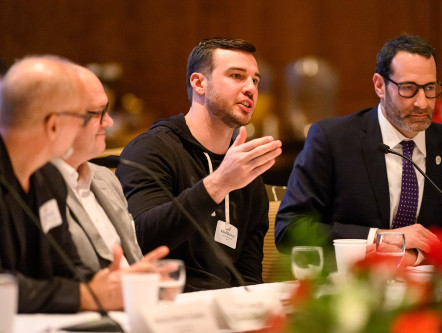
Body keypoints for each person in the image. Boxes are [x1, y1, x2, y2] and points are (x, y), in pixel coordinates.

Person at [274, 34, 442, 267]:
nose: (422, 102)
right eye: (408, 88)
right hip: (346, 288)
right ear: (380, 85)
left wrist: (412, 257)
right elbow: (290, 228)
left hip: (424, 288)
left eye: (429, 88)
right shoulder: (333, 140)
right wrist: (381, 238)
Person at [0, 56, 167, 313]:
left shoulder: (49, 179)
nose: (105, 124)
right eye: (83, 117)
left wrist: (112, 283)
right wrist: (84, 296)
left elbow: (65, 267)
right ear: (54, 125)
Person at [116, 37, 282, 291]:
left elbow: (248, 276)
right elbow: (140, 239)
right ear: (199, 83)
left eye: (255, 80)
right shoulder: (152, 150)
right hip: (167, 304)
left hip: (226, 312)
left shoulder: (245, 170)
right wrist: (218, 184)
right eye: (237, 76)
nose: (250, 88)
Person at [51, 66, 143, 272]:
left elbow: (133, 258)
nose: (109, 122)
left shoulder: (104, 177)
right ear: (56, 121)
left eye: (107, 111)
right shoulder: (30, 186)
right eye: (98, 114)